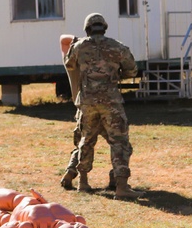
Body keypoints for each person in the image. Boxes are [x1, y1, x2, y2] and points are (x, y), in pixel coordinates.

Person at [63, 13, 139, 198]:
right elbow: (132, 70)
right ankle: (121, 186)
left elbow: (69, 65)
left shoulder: (80, 46)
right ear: (104, 28)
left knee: (86, 140)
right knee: (119, 142)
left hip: (87, 102)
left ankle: (83, 182)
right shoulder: (117, 46)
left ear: (87, 29)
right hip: (111, 102)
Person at [58, 34, 114, 191]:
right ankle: (115, 176)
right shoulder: (98, 64)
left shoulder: (71, 62)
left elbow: (63, 40)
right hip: (105, 109)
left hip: (83, 110)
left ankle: (70, 172)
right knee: (118, 144)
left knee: (83, 145)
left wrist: (78, 41)